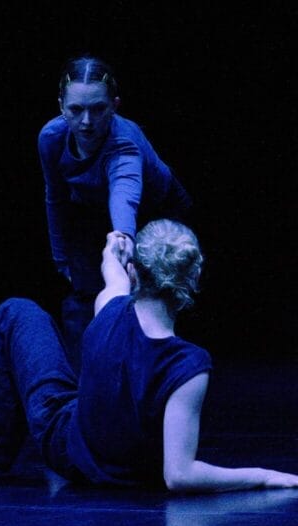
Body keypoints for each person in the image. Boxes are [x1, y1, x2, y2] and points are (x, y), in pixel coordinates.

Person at [0, 220, 298, 492]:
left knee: (15, 311)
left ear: (135, 272)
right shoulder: (188, 366)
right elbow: (179, 474)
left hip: (67, 449)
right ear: (192, 282)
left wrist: (114, 246)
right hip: (121, 472)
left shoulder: (110, 305)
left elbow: (113, 275)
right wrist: (265, 474)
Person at [38, 57, 192, 369]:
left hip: (156, 208)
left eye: (97, 109)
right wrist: (61, 256)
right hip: (92, 208)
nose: (86, 121)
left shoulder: (124, 145)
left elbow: (125, 194)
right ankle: (85, 388)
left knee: (153, 290)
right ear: (60, 106)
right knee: (82, 295)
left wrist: (122, 238)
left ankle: (153, 376)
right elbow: (55, 197)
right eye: (75, 109)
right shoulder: (51, 139)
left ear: (115, 106)